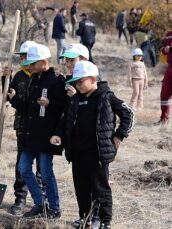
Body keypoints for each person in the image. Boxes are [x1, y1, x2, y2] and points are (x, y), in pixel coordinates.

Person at [51, 61, 134, 229]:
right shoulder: (75, 99)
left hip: (97, 154)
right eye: (76, 82)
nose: (77, 85)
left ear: (92, 79)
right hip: (77, 153)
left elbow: (128, 114)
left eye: (80, 81)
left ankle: (105, 222)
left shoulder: (106, 96)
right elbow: (66, 119)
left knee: (100, 190)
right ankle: (85, 219)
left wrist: (119, 136)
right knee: (81, 190)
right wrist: (58, 135)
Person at [8, 43, 66, 219]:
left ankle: (54, 208)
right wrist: (14, 99)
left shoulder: (57, 80)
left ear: (43, 61)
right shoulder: (34, 79)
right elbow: (28, 107)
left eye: (33, 63)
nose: (29, 66)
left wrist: (51, 105)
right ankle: (40, 203)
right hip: (30, 133)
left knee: (46, 172)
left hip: (47, 134)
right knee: (24, 168)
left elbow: (65, 109)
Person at [3, 40, 44, 215]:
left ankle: (42, 200)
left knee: (42, 166)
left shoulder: (43, 76)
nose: (24, 59)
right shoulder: (18, 76)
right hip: (22, 126)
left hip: (42, 128)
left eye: (27, 56)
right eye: (21, 56)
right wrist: (5, 78)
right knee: (22, 164)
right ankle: (20, 197)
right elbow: (7, 96)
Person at [157, 31, 172, 124]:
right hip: (170, 67)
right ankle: (164, 118)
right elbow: (163, 49)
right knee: (164, 94)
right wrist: (164, 50)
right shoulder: (168, 34)